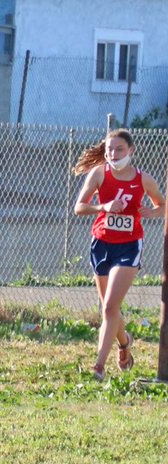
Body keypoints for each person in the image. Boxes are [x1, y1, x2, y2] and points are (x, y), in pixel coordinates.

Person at [72, 129, 164, 380]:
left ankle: (98, 367)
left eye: (119, 149)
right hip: (101, 244)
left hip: (129, 246)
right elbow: (79, 207)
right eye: (110, 149)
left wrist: (152, 213)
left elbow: (161, 204)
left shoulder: (144, 179)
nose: (114, 154)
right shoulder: (100, 173)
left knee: (111, 305)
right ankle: (124, 343)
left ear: (131, 151)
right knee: (108, 309)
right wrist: (104, 206)